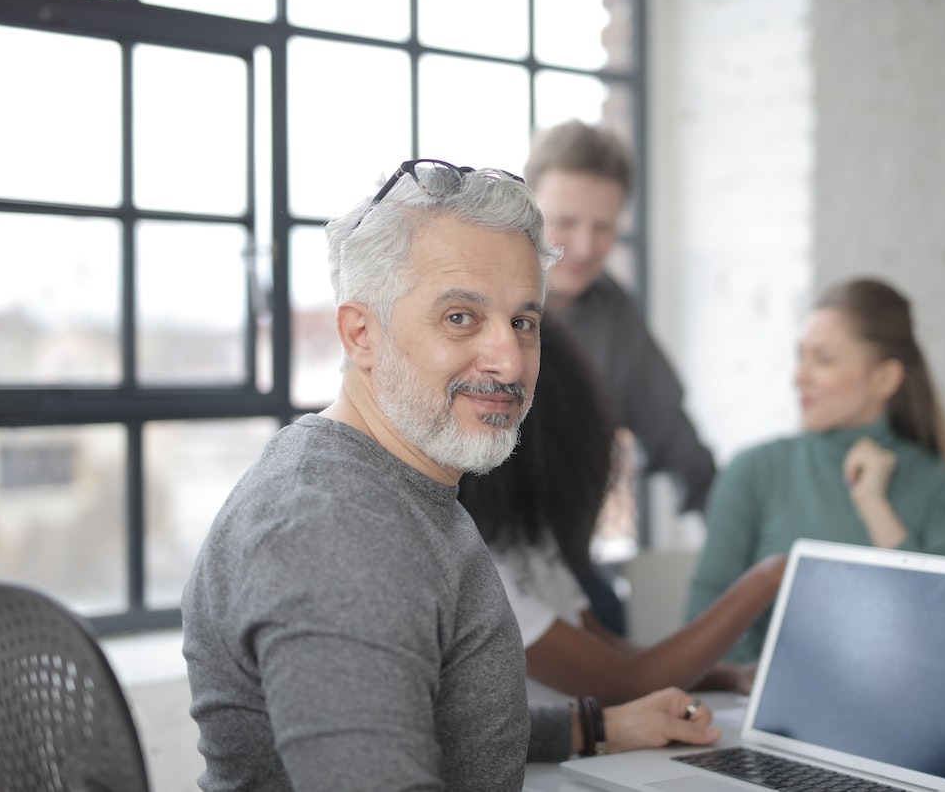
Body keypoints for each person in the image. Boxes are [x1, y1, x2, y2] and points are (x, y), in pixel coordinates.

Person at [180, 159, 719, 792]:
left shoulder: (395, 480)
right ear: (361, 335)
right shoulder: (336, 532)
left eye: (523, 322)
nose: (509, 360)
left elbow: (435, 715)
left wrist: (598, 727)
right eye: (460, 317)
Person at [459, 318, 786, 707]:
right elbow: (626, 682)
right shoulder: (476, 568)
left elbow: (611, 652)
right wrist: (768, 578)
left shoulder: (527, 539)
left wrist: (729, 676)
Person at [685, 277, 945, 663]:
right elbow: (700, 628)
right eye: (801, 356)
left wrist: (875, 507)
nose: (798, 377)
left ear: (884, 379)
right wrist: (751, 684)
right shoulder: (754, 471)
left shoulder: (943, 482)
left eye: (822, 360)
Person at [525, 120, 717, 635]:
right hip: (472, 565)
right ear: (527, 206)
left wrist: (747, 553)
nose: (585, 247)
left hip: (569, 570)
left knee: (620, 638)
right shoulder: (472, 300)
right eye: (564, 221)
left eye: (604, 226)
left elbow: (685, 455)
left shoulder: (617, 317)